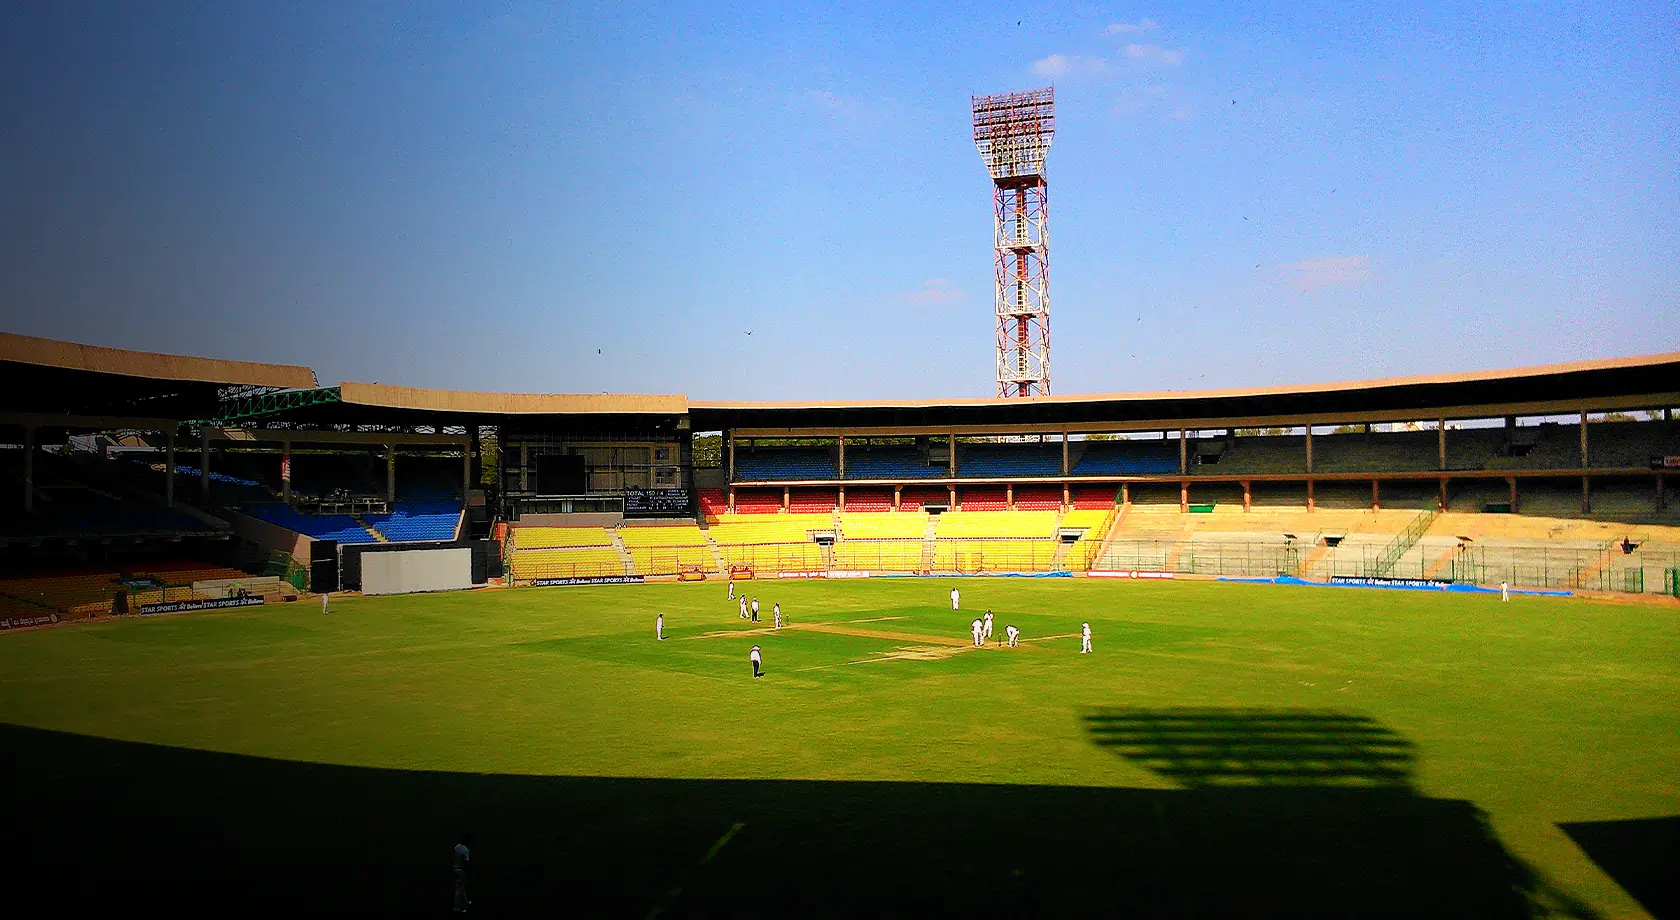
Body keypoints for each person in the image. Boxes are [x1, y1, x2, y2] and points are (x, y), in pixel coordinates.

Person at [452, 833, 472, 914]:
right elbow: (466, 862)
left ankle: (466, 902)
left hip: (455, 868)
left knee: (462, 887)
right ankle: (457, 908)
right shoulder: (466, 850)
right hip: (461, 870)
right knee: (459, 889)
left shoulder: (457, 847)